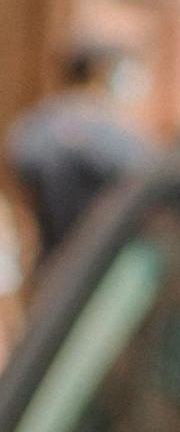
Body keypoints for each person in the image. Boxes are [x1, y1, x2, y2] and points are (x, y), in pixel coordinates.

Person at [7, 31, 149, 267]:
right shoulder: (116, 136)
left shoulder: (33, 128)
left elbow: (19, 202)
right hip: (102, 270)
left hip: (50, 267)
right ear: (100, 71)